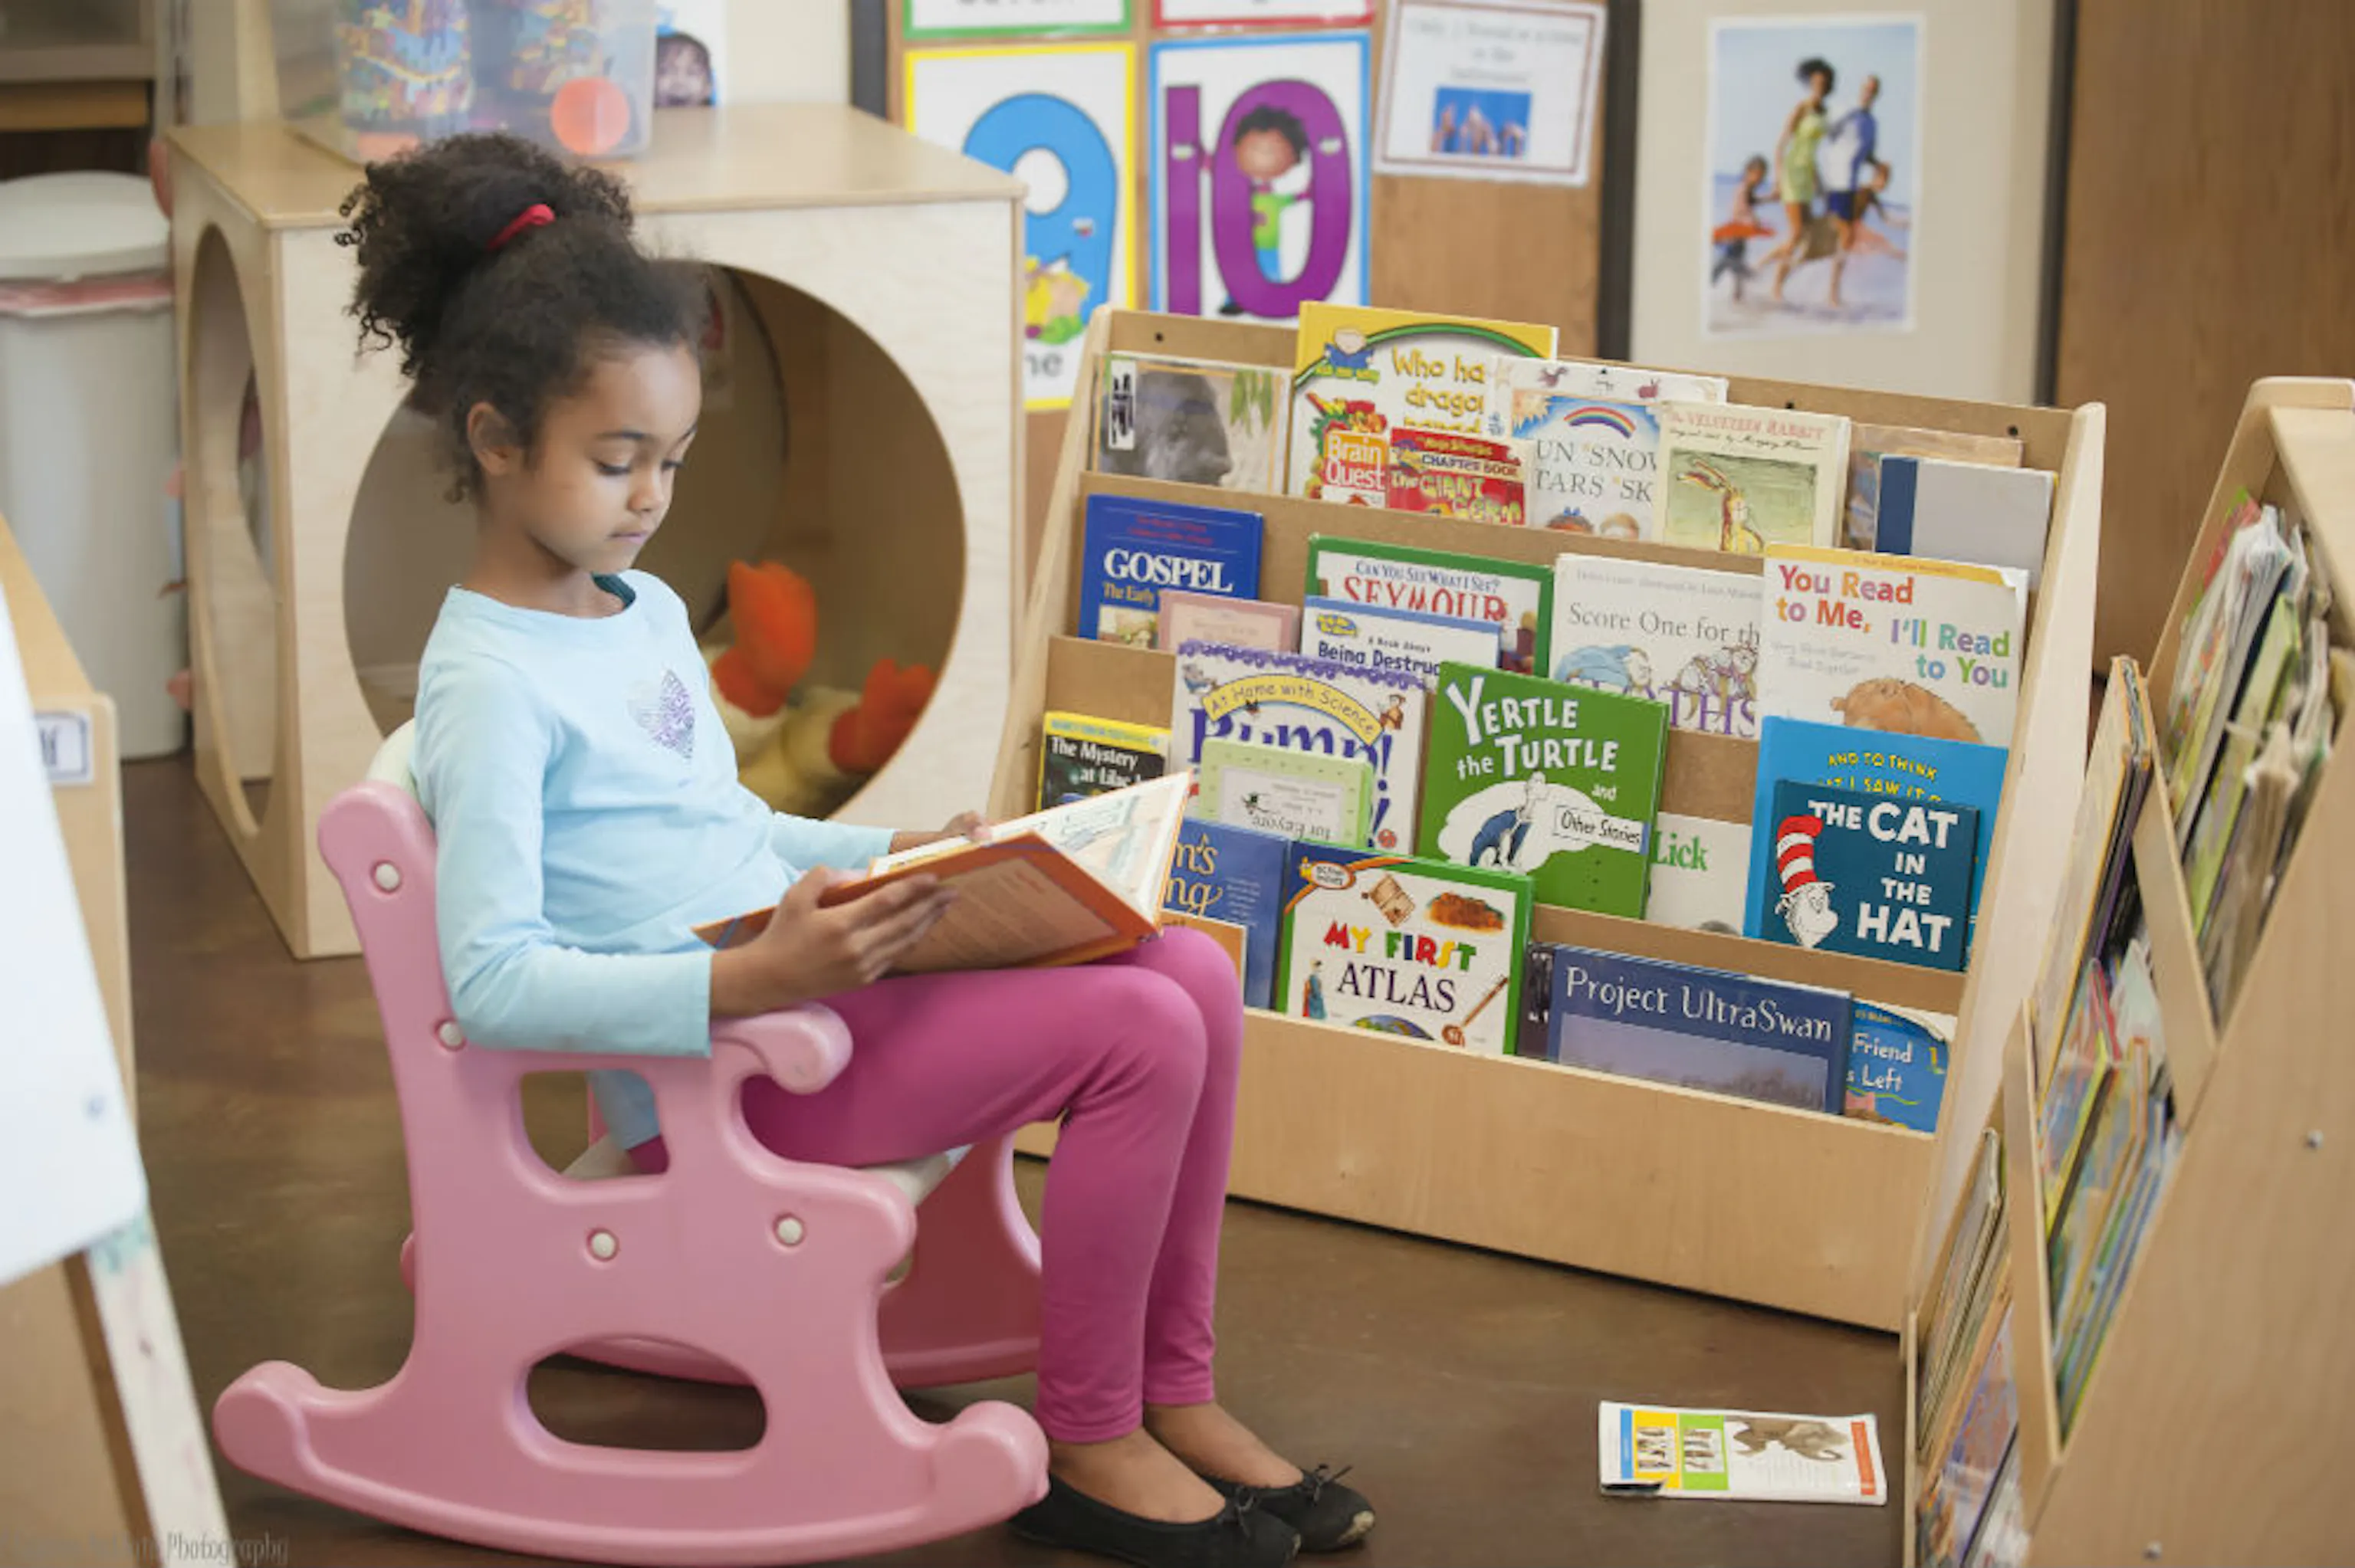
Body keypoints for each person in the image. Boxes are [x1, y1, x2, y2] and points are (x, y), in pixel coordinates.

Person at [337, 131, 1372, 1568]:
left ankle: (1170, 1384)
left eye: (672, 460)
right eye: (616, 461)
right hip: (734, 1080)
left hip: (810, 1007)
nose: (651, 498)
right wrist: (754, 981)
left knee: (1187, 968)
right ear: (496, 440)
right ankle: (1090, 1437)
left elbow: (727, 827)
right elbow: (495, 982)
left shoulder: (636, 610)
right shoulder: (491, 689)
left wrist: (915, 849)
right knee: (1139, 1034)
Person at [1759, 56, 1834, 304]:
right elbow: (1781, 145)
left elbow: (1813, 150)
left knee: (1806, 235)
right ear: (1810, 84)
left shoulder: (1826, 113)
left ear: (1829, 86)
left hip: (1808, 175)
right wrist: (1777, 180)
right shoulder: (1801, 108)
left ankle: (1760, 266)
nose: (1819, 87)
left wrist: (1820, 182)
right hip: (1792, 172)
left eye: (1824, 84)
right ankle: (1776, 287)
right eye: (1816, 83)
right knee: (1797, 233)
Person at [1821, 73, 1884, 307]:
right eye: (1866, 88)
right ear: (1861, 89)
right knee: (1842, 236)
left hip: (1850, 185)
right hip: (1834, 182)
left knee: (1844, 239)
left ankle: (1831, 291)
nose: (1869, 93)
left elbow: (1867, 154)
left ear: (1877, 94)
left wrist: (1879, 166)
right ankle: (1830, 292)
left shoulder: (1872, 124)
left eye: (1873, 90)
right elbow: (1826, 134)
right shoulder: (1848, 111)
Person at [1710, 153, 1776, 300]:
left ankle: (1737, 297)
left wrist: (1770, 199)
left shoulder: (1747, 188)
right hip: (1735, 235)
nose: (1759, 179)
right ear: (1748, 171)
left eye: (1762, 176)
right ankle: (1710, 285)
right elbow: (1743, 207)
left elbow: (1753, 201)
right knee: (1726, 263)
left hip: (1741, 236)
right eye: (1757, 175)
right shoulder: (1743, 188)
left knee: (1734, 267)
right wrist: (1754, 221)